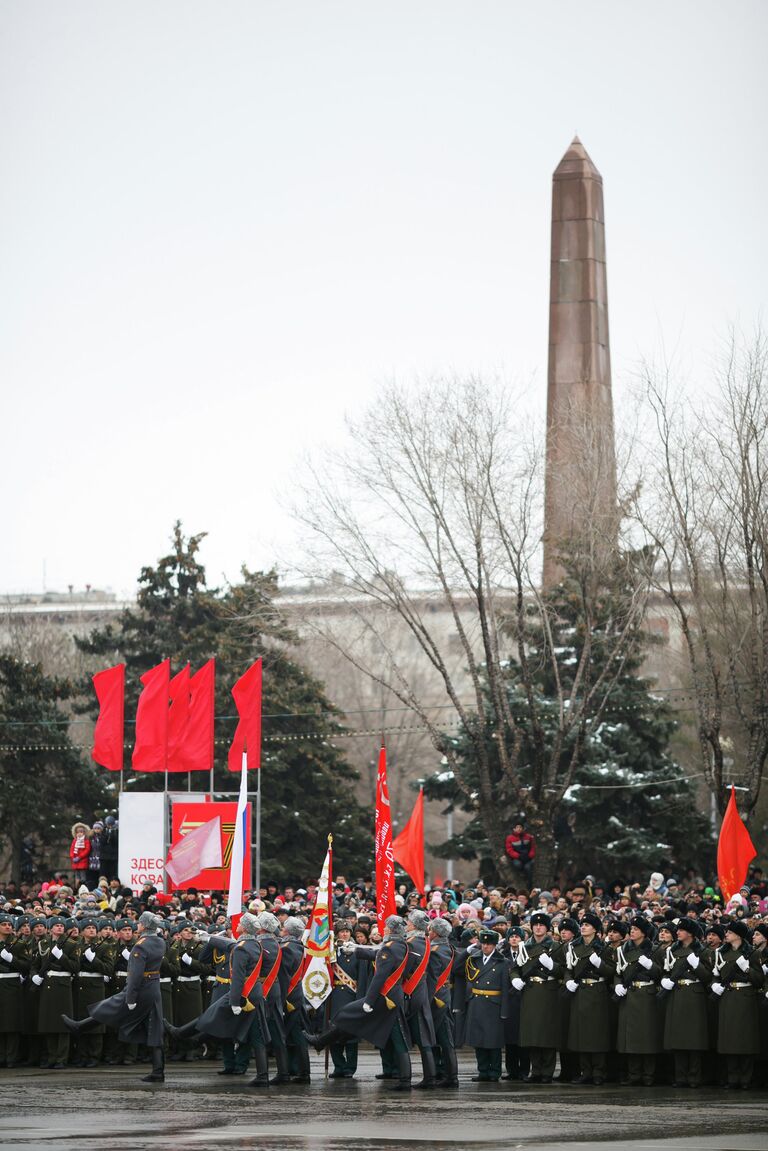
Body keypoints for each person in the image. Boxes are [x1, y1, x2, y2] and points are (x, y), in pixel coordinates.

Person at [304, 914, 413, 1091]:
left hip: (384, 998)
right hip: (393, 997)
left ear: (391, 930)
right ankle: (320, 1041)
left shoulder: (390, 947)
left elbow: (379, 977)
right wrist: (355, 950)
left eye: (386, 927)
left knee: (347, 1015)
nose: (383, 929)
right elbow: (376, 954)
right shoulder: (401, 946)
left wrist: (368, 1001)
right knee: (393, 1036)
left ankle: (405, 1081)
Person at [63, 910, 167, 1083]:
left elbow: (135, 975)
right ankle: (158, 1071)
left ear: (145, 925)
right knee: (154, 1028)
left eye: (140, 923)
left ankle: (79, 1026)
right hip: (154, 988)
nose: (137, 925)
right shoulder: (160, 942)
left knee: (110, 1007)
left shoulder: (141, 945)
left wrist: (131, 998)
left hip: (140, 988)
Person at [565, 911, 616, 1085]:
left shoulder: (603, 947)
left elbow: (611, 972)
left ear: (595, 929)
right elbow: (568, 969)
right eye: (582, 924)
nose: (583, 927)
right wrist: (568, 981)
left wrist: (599, 964)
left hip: (597, 992)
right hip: (580, 991)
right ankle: (585, 1071)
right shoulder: (574, 946)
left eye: (587, 925)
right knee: (582, 1034)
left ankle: (598, 1072)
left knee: (597, 1034)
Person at [710, 919, 762, 1088]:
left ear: (738, 935)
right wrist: (714, 984)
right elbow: (715, 975)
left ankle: (745, 1079)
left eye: (730, 932)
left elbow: (759, 980)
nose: (726, 935)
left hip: (745, 997)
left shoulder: (752, 954)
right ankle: (733, 1078)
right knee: (729, 1040)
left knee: (745, 1040)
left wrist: (747, 968)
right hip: (727, 997)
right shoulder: (721, 953)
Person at [661, 916, 710, 1088]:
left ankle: (694, 1077)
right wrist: (665, 980)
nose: (678, 932)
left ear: (690, 933)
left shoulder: (702, 952)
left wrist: (697, 965)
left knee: (694, 1040)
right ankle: (680, 1076)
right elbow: (666, 971)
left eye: (681, 930)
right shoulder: (672, 951)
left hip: (694, 995)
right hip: (678, 994)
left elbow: (708, 977)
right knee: (679, 1039)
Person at [511, 912, 561, 1083]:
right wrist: (515, 978)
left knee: (546, 1033)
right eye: (535, 925)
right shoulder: (524, 947)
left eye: (541, 925)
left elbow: (563, 971)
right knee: (532, 1033)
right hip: (530, 991)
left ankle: (547, 1071)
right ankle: (536, 1070)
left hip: (548, 991)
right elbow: (515, 968)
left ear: (547, 928)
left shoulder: (555, 947)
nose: (538, 928)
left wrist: (552, 966)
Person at [613, 916, 662, 1086]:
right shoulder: (623, 950)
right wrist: (618, 985)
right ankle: (634, 1074)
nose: (631, 931)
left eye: (635, 929)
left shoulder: (655, 951)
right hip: (630, 994)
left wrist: (651, 966)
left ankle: (648, 1075)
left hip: (646, 994)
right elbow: (618, 973)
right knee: (631, 1039)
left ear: (643, 933)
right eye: (631, 928)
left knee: (647, 1037)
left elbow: (662, 975)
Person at [463, 928, 510, 1083]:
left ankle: (494, 1072)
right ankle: (483, 1071)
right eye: (483, 943)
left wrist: (504, 1010)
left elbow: (505, 988)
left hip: (493, 1004)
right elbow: (458, 969)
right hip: (477, 1001)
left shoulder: (503, 962)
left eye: (489, 944)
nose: (486, 947)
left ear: (495, 945)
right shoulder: (474, 958)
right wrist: (466, 952)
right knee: (479, 1040)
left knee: (493, 1042)